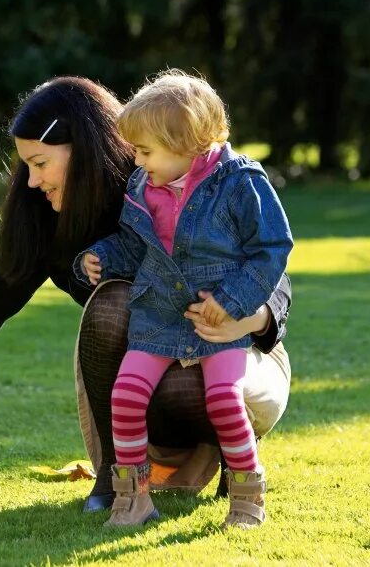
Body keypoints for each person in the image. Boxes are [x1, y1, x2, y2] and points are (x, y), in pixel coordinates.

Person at [0, 76, 292, 516]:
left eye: (40, 163)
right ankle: (121, 477)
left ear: (85, 151)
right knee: (113, 305)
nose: (31, 181)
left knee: (171, 354)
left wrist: (248, 319)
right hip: (149, 371)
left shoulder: (167, 182)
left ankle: (240, 463)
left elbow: (274, 269)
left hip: (238, 359)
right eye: (25, 165)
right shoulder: (50, 219)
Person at [77, 69, 293, 529]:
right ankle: (133, 497)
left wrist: (235, 302)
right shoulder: (142, 188)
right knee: (127, 394)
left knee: (223, 400)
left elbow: (272, 248)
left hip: (216, 322)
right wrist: (101, 256)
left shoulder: (240, 182)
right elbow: (135, 245)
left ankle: (246, 493)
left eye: (145, 151)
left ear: (186, 142)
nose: (137, 162)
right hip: (157, 316)